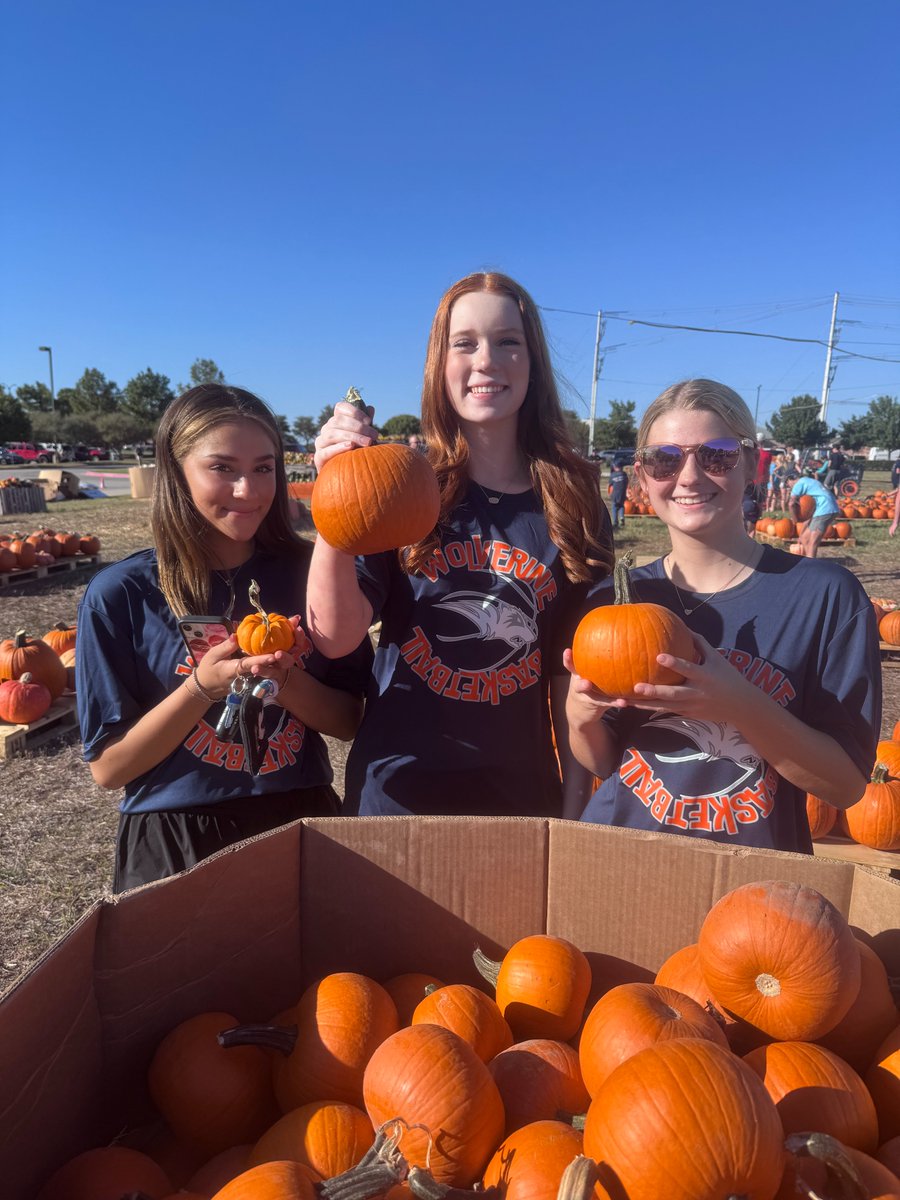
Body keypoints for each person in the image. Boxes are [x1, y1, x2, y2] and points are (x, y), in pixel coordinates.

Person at [306, 271, 615, 819]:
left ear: (533, 362)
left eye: (508, 341)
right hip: (397, 798)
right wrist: (336, 490)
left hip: (519, 803)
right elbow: (333, 637)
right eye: (464, 343)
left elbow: (573, 679)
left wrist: (574, 814)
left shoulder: (575, 501)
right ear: (439, 363)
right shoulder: (401, 485)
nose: (486, 360)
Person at [76, 384, 373, 892]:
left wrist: (285, 681)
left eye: (263, 468)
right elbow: (109, 767)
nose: (248, 491)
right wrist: (201, 688)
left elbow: (350, 722)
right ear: (176, 472)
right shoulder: (121, 593)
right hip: (174, 836)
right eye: (222, 468)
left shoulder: (313, 573)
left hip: (300, 817)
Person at [565, 378, 880, 854]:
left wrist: (738, 703)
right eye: (665, 459)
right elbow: (605, 761)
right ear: (642, 475)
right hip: (623, 860)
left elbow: (845, 787)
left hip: (755, 876)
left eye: (717, 455)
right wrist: (581, 719)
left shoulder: (825, 596)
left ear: (751, 464)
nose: (689, 477)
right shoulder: (614, 601)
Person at [788, 467, 842, 558]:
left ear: (789, 480)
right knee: (805, 538)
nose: (789, 487)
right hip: (827, 507)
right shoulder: (808, 481)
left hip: (825, 509)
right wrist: (801, 535)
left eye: (788, 484)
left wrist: (795, 520)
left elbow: (791, 504)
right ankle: (807, 559)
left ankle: (811, 564)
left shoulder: (798, 484)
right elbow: (809, 517)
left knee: (812, 542)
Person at [608, 458, 629, 529]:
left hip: (615, 494)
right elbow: (627, 482)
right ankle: (622, 517)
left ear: (615, 467)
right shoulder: (624, 474)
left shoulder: (613, 475)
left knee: (614, 507)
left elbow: (610, 484)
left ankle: (615, 522)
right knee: (621, 506)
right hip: (622, 493)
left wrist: (609, 493)